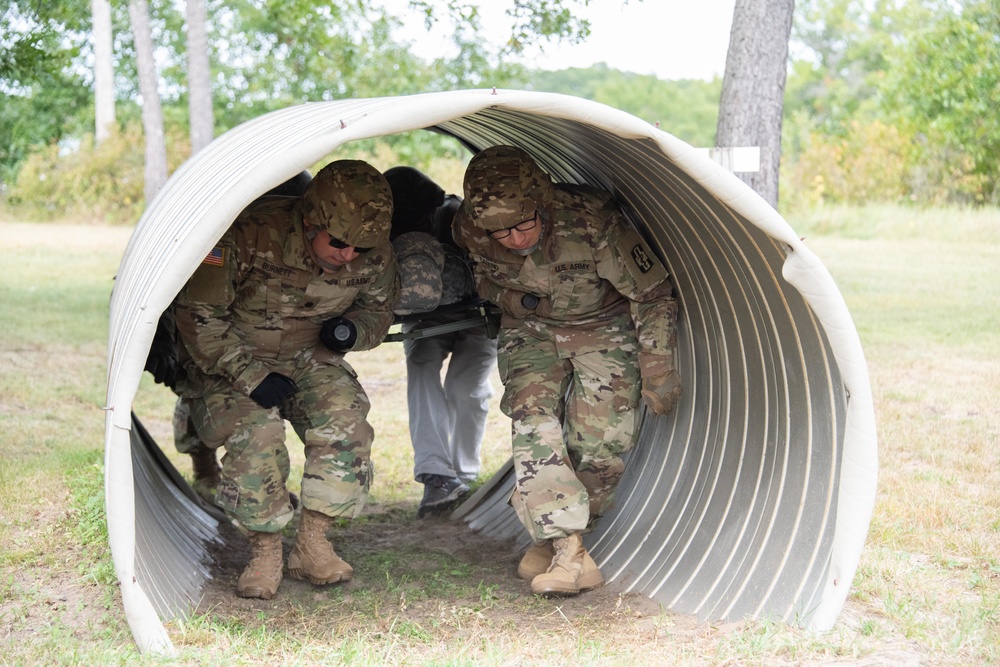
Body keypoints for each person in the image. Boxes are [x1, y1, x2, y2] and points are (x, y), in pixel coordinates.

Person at [453, 145, 682, 597]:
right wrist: (514, 301)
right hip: (532, 332)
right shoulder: (471, 227)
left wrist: (657, 365)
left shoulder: (592, 220)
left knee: (601, 450)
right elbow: (483, 280)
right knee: (535, 427)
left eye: (524, 226)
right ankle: (569, 553)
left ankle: (552, 541)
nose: (515, 239)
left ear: (544, 204)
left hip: (603, 327)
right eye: (502, 234)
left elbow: (653, 291)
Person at [173, 160, 400, 600]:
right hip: (231, 355)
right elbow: (198, 317)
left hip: (310, 355)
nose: (349, 256)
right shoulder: (245, 234)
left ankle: (312, 544)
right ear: (309, 220)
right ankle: (265, 551)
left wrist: (353, 331)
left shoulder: (374, 253)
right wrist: (252, 376)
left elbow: (378, 312)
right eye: (338, 243)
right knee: (256, 432)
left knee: (346, 423)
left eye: (361, 247)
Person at [144, 172, 314, 504]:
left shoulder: (301, 218)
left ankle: (262, 481)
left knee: (266, 399)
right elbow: (160, 292)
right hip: (194, 323)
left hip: (259, 328)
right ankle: (205, 468)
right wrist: (161, 344)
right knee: (200, 382)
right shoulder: (217, 231)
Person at [383, 166, 498, 518]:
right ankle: (437, 476)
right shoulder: (386, 229)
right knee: (421, 367)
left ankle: (464, 472)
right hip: (424, 316)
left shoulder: (463, 223)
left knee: (465, 386)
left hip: (478, 313)